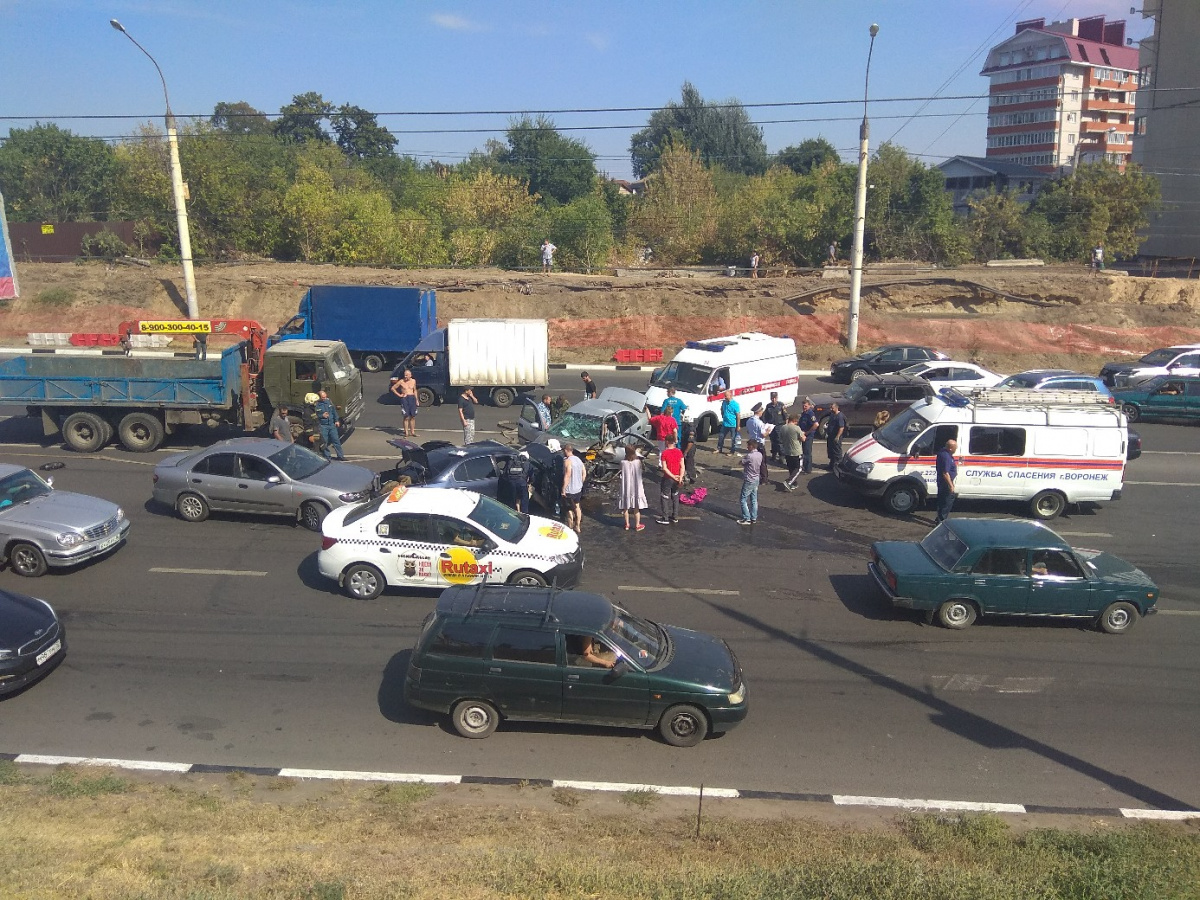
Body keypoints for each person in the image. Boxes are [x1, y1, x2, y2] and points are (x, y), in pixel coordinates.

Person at [617, 445, 648, 532]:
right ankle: (637, 525)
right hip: (636, 486)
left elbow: (620, 470)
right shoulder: (638, 462)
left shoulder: (623, 462)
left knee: (625, 507)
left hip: (626, 485)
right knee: (636, 507)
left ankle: (627, 524)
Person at [657, 435, 685, 525]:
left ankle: (665, 518)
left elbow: (664, 468)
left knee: (664, 497)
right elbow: (682, 466)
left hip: (668, 478)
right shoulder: (679, 452)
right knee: (675, 496)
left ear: (667, 441)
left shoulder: (664, 453)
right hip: (677, 477)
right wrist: (680, 477)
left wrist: (672, 476)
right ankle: (675, 516)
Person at [737, 440, 764, 525]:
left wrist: (743, 459)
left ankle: (746, 518)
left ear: (752, 446)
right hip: (756, 478)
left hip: (749, 479)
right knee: (754, 499)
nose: (747, 447)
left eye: (748, 446)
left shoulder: (749, 456)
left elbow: (741, 462)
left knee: (743, 499)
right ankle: (753, 517)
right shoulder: (760, 454)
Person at [314, 389, 345, 461]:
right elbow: (314, 415)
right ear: (319, 397)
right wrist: (322, 415)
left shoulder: (329, 402)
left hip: (331, 425)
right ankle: (327, 456)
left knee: (336, 440)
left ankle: (340, 456)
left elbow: (334, 411)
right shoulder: (316, 405)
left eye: (325, 397)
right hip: (323, 425)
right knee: (325, 442)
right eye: (323, 397)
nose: (325, 399)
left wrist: (336, 420)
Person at [561, 443, 586, 532]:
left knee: (569, 509)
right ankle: (578, 526)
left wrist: (563, 488)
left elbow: (567, 475)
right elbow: (584, 473)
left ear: (566, 450)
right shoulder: (579, 460)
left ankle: (570, 527)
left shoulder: (568, 461)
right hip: (578, 489)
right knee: (577, 506)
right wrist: (580, 483)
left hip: (569, 490)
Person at [777, 413, 804, 491]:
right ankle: (788, 482)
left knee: (791, 469)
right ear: (795, 420)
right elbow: (803, 439)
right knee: (799, 468)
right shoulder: (796, 428)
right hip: (796, 452)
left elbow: (781, 439)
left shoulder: (783, 428)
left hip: (787, 451)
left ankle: (793, 483)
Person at [935, 438, 959, 524]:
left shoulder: (944, 453)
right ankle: (941, 520)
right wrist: (951, 485)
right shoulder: (946, 456)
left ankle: (939, 518)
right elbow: (945, 473)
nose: (956, 450)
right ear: (950, 448)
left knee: (942, 500)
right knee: (947, 501)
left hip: (943, 482)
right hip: (945, 482)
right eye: (955, 448)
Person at [390, 369, 419, 437]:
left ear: (410, 375)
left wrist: (417, 400)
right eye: (405, 375)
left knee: (413, 416)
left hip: (412, 398)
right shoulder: (401, 381)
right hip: (405, 399)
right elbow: (393, 388)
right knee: (406, 416)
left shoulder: (413, 381)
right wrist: (400, 395)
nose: (405, 376)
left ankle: (412, 431)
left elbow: (415, 390)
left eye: (407, 375)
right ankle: (406, 432)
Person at [763, 391, 787, 463]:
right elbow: (765, 416)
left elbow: (786, 416)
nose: (773, 400)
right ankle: (773, 455)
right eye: (772, 398)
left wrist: (786, 426)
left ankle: (781, 456)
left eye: (775, 398)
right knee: (773, 441)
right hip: (771, 426)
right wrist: (765, 425)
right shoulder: (768, 406)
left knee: (780, 441)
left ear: (777, 398)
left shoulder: (781, 405)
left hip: (779, 425)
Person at [798, 398, 819, 474]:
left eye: (806, 406)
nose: (804, 407)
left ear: (809, 406)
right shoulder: (804, 413)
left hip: (808, 436)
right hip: (803, 435)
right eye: (803, 406)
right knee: (803, 452)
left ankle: (808, 469)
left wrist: (807, 432)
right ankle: (804, 466)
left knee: (807, 453)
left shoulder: (810, 414)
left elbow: (816, 424)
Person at [717, 390, 741, 455]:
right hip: (725, 423)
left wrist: (738, 426)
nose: (725, 397)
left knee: (733, 439)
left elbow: (738, 416)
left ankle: (732, 451)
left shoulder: (735, 404)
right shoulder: (724, 402)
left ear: (731, 396)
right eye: (725, 396)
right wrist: (722, 415)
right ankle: (719, 449)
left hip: (733, 424)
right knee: (721, 436)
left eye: (726, 396)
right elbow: (722, 409)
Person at [826, 401, 847, 471]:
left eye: (832, 408)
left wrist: (837, 436)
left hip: (836, 437)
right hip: (830, 436)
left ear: (836, 408)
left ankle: (838, 466)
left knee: (837, 452)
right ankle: (831, 465)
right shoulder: (832, 414)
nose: (831, 409)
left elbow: (841, 428)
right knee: (831, 451)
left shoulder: (840, 416)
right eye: (830, 408)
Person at [679, 410, 698, 485]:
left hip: (689, 448)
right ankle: (685, 476)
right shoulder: (685, 425)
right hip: (684, 446)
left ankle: (692, 478)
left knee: (689, 463)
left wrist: (686, 452)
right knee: (684, 463)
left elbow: (690, 442)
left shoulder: (691, 428)